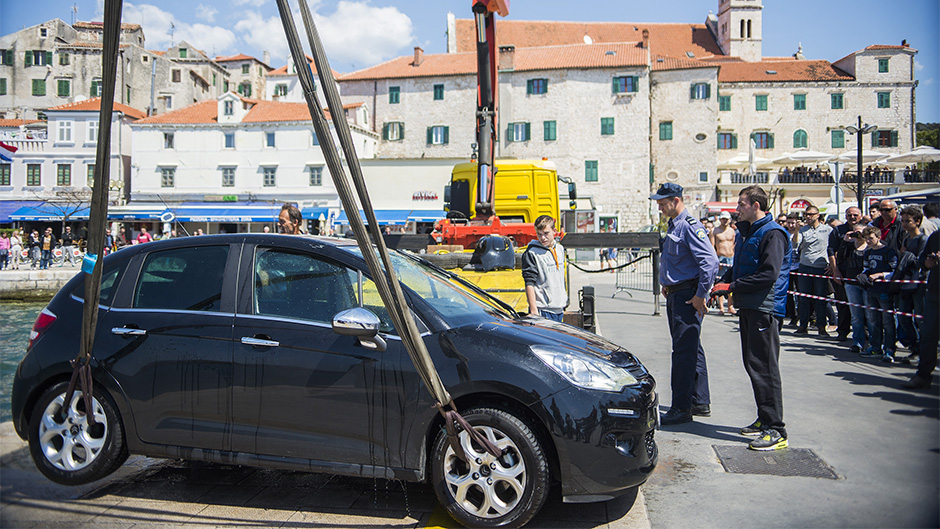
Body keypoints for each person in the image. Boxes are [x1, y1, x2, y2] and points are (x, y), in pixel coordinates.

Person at [712, 186, 792, 451]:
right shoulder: (750, 232)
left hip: (764, 308)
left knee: (765, 368)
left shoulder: (773, 234)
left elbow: (769, 274)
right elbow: (742, 266)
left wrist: (732, 287)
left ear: (756, 205)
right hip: (750, 306)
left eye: (742, 204)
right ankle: (764, 418)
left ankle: (776, 429)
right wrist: (724, 280)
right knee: (753, 364)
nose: (738, 208)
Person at [651, 183, 719, 426]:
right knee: (691, 348)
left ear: (676, 200)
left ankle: (681, 407)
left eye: (662, 201)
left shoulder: (689, 226)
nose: (659, 205)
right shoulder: (675, 224)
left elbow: (710, 263)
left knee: (682, 352)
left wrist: (702, 294)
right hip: (677, 293)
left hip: (687, 295)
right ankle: (699, 400)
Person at [902, 230, 938, 389]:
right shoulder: (936, 237)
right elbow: (922, 259)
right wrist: (927, 263)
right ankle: (923, 375)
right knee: (928, 335)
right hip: (935, 293)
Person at [857, 226, 899, 362]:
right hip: (871, 290)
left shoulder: (888, 252)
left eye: (871, 238)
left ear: (878, 237)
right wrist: (863, 276)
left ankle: (889, 349)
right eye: (866, 238)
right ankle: (875, 347)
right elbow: (866, 268)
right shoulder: (868, 253)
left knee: (887, 321)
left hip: (884, 290)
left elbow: (894, 272)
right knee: (873, 321)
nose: (868, 241)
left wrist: (880, 275)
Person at [895, 206, 927, 364]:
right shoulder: (906, 239)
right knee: (903, 318)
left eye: (908, 221)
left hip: (918, 284)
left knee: (921, 319)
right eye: (903, 221)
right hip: (904, 284)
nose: (905, 224)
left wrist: (907, 256)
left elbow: (920, 262)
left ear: (918, 222)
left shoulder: (923, 240)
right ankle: (914, 347)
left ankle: (925, 350)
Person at [796, 206, 834, 336]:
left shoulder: (827, 230)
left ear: (818, 215)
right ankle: (803, 325)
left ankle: (821, 326)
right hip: (805, 265)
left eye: (811, 214)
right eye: (806, 214)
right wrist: (796, 230)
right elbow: (796, 245)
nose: (808, 217)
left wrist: (832, 265)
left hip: (821, 266)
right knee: (804, 298)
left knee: (820, 298)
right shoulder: (803, 230)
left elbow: (833, 248)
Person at [827, 206, 864, 341]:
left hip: (862, 274)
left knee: (862, 306)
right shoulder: (839, 230)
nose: (852, 217)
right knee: (842, 304)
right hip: (843, 272)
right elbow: (831, 250)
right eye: (849, 215)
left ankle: (863, 333)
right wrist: (835, 270)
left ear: (860, 216)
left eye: (855, 215)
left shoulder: (866, 229)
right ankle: (842, 331)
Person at [522, 215, 567, 321]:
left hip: (559, 309)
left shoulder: (560, 249)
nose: (542, 238)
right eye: (539, 234)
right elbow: (529, 283)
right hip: (543, 310)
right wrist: (534, 311)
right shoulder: (532, 253)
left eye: (546, 233)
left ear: (554, 231)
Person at [841, 224, 870, 353]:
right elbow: (840, 257)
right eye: (855, 232)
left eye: (861, 233)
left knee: (870, 315)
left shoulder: (870, 246)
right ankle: (858, 342)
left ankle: (874, 343)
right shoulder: (850, 246)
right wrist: (846, 242)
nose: (858, 235)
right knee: (856, 316)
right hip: (851, 283)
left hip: (867, 284)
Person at [710, 211, 737, 315]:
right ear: (720, 219)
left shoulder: (732, 231)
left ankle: (730, 306)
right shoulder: (715, 231)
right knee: (720, 283)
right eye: (723, 219)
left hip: (731, 257)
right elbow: (712, 246)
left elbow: (734, 244)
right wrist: (716, 261)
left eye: (727, 219)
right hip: (720, 257)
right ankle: (721, 307)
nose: (725, 221)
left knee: (731, 284)